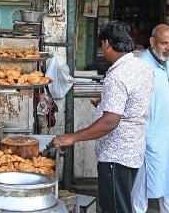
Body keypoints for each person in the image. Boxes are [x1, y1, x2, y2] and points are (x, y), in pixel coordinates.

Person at [53, 20, 154, 213]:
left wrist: (73, 137)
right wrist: (106, 101)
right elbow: (134, 99)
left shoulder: (117, 76)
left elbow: (110, 122)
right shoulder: (142, 67)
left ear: (107, 43)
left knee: (115, 208)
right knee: (123, 204)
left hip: (116, 156)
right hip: (134, 151)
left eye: (102, 45)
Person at [131, 24, 169, 213]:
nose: (168, 48)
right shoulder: (142, 66)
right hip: (148, 139)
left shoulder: (168, 63)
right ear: (152, 42)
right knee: (140, 193)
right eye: (164, 43)